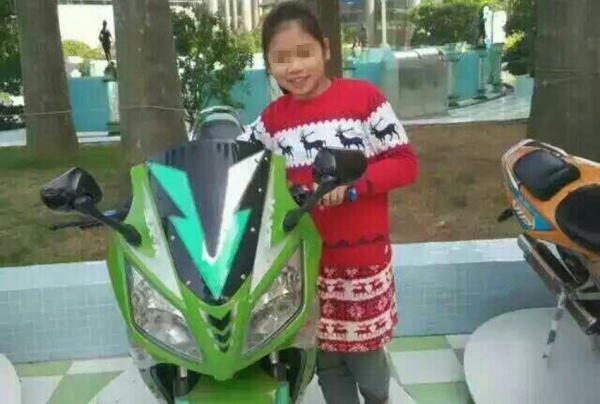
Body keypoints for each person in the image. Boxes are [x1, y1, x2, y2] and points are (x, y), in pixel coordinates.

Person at [237, 2, 418, 404]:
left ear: (326, 49)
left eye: (304, 53)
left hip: (360, 261)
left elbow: (405, 163)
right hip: (303, 264)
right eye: (281, 58)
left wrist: (355, 187)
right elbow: (235, 156)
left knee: (365, 356)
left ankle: (378, 399)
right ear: (268, 64)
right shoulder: (272, 120)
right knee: (324, 357)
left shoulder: (364, 100)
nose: (294, 67)